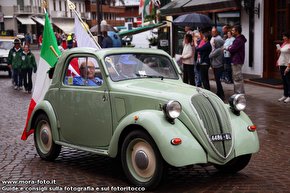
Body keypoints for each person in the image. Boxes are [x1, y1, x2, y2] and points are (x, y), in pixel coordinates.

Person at [227, 25, 247, 94]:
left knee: (237, 78)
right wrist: (230, 47)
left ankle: (239, 94)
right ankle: (239, 93)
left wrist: (228, 48)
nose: (232, 32)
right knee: (237, 78)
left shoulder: (238, 40)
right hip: (237, 60)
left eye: (233, 30)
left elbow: (232, 49)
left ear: (237, 31)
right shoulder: (239, 39)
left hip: (236, 60)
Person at [276, 32, 290, 103]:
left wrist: (288, 67)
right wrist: (278, 50)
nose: (283, 38)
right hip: (281, 64)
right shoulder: (284, 44)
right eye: (283, 36)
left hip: (287, 65)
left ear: (288, 37)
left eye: (284, 36)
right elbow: (281, 53)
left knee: (288, 80)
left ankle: (289, 96)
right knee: (284, 81)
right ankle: (285, 95)